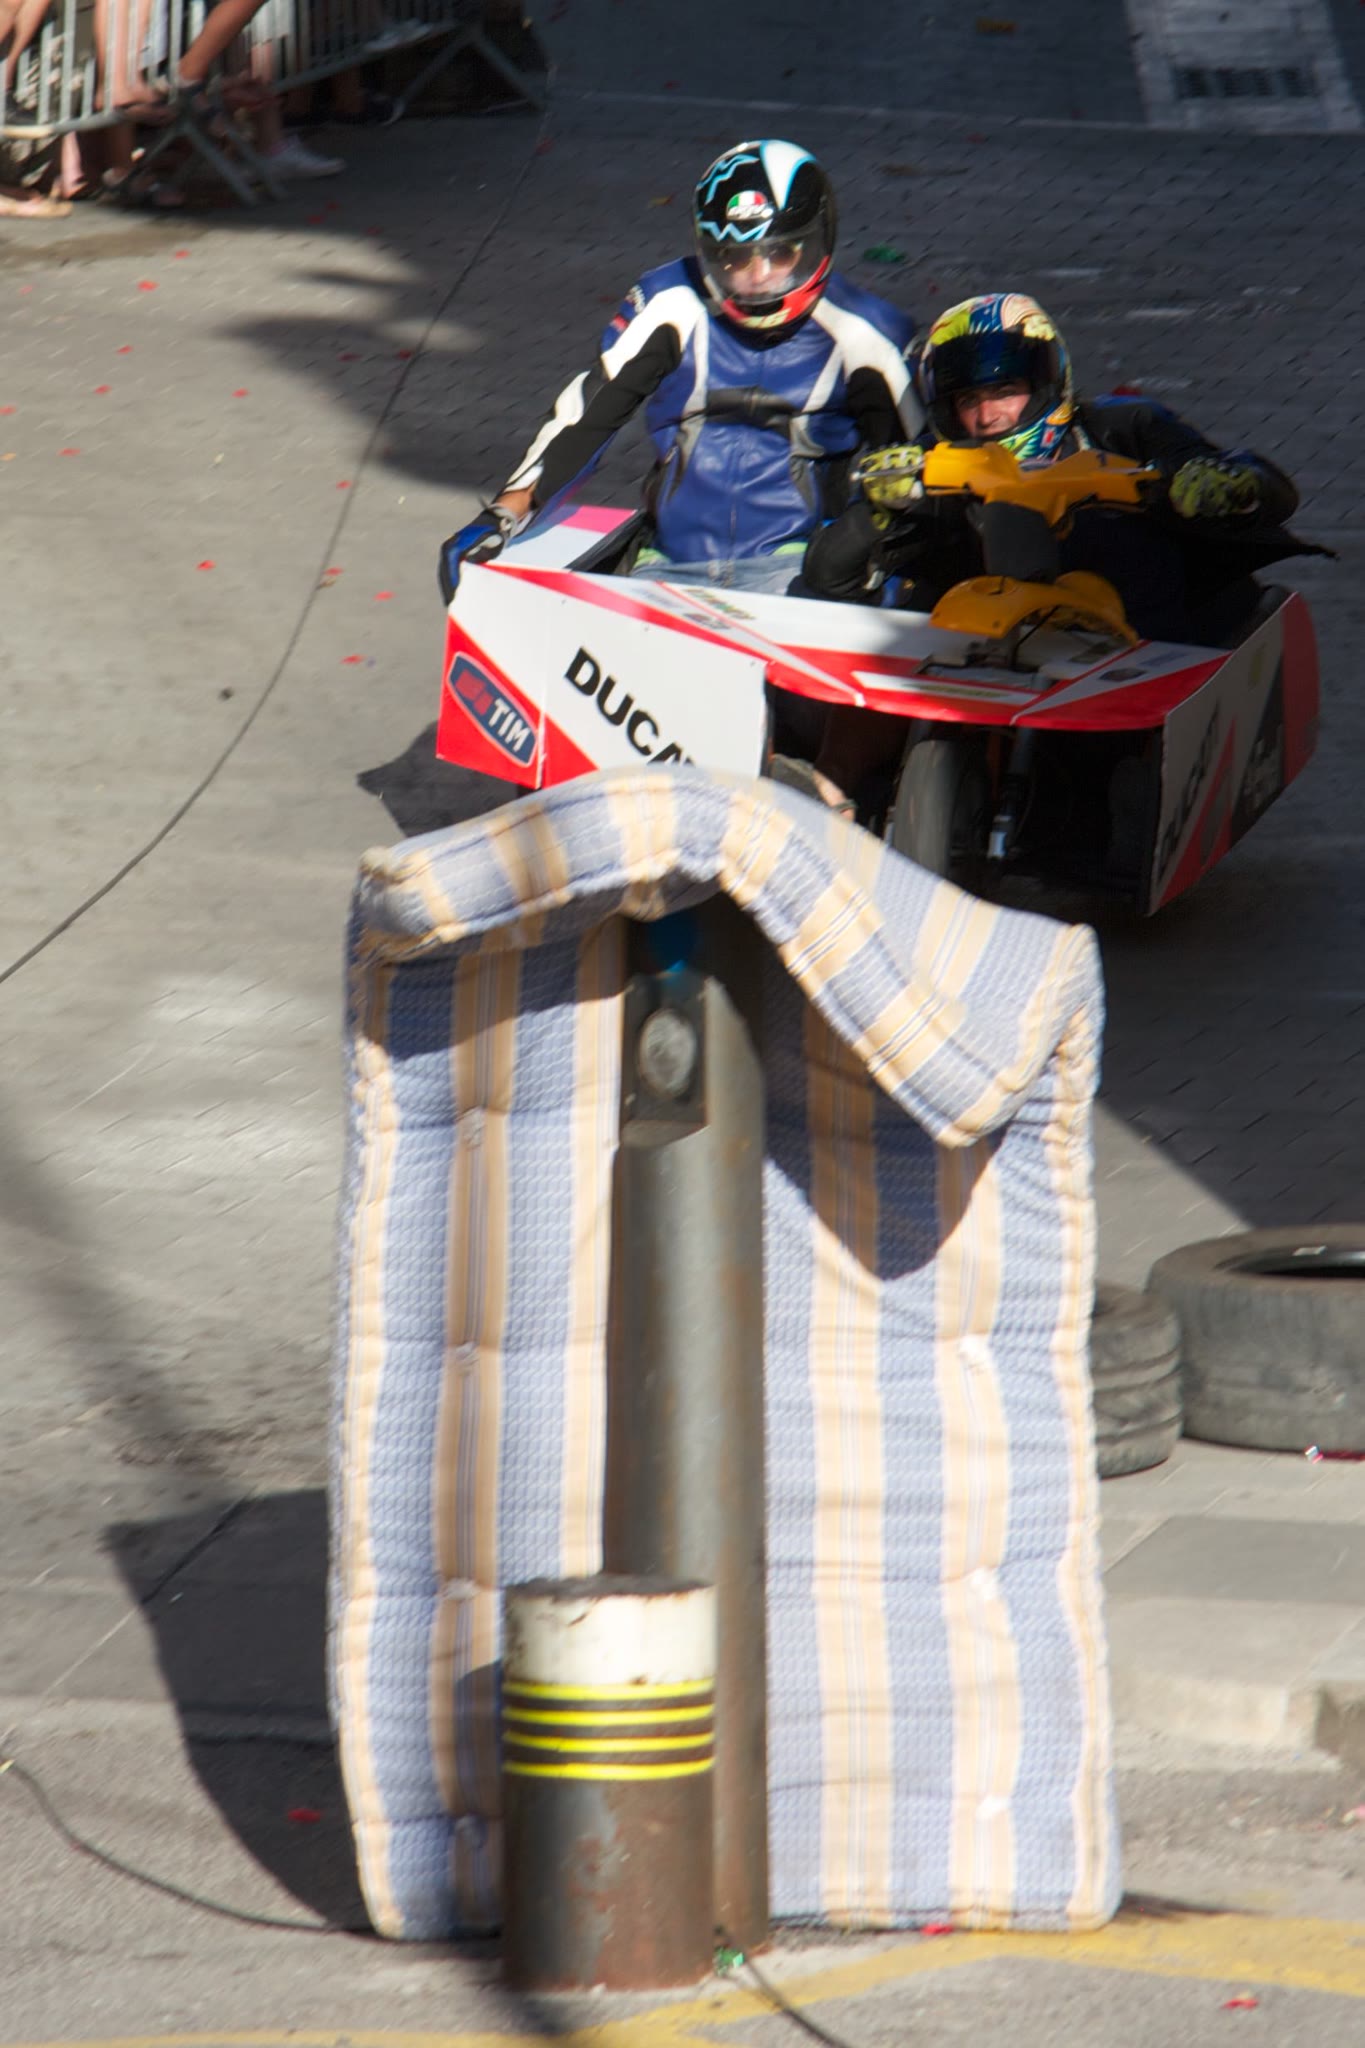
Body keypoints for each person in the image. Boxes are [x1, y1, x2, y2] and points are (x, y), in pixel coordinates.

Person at [799, 291, 1320, 808]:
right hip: (968, 662)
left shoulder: (1126, 428)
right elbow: (827, 576)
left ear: (1046, 383)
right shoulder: (931, 468)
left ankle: (1154, 792)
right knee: (880, 659)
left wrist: (1222, 483)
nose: (989, 416)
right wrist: (876, 510)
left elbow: (1267, 489)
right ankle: (828, 796)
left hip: (1137, 664)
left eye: (1005, 390)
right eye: (968, 400)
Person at [440, 139, 920, 603]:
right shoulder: (669, 300)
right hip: (665, 563)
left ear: (817, 240)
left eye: (780, 254)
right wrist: (501, 517)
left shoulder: (870, 333)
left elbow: (919, 471)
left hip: (797, 573)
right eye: (736, 258)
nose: (758, 277)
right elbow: (587, 419)